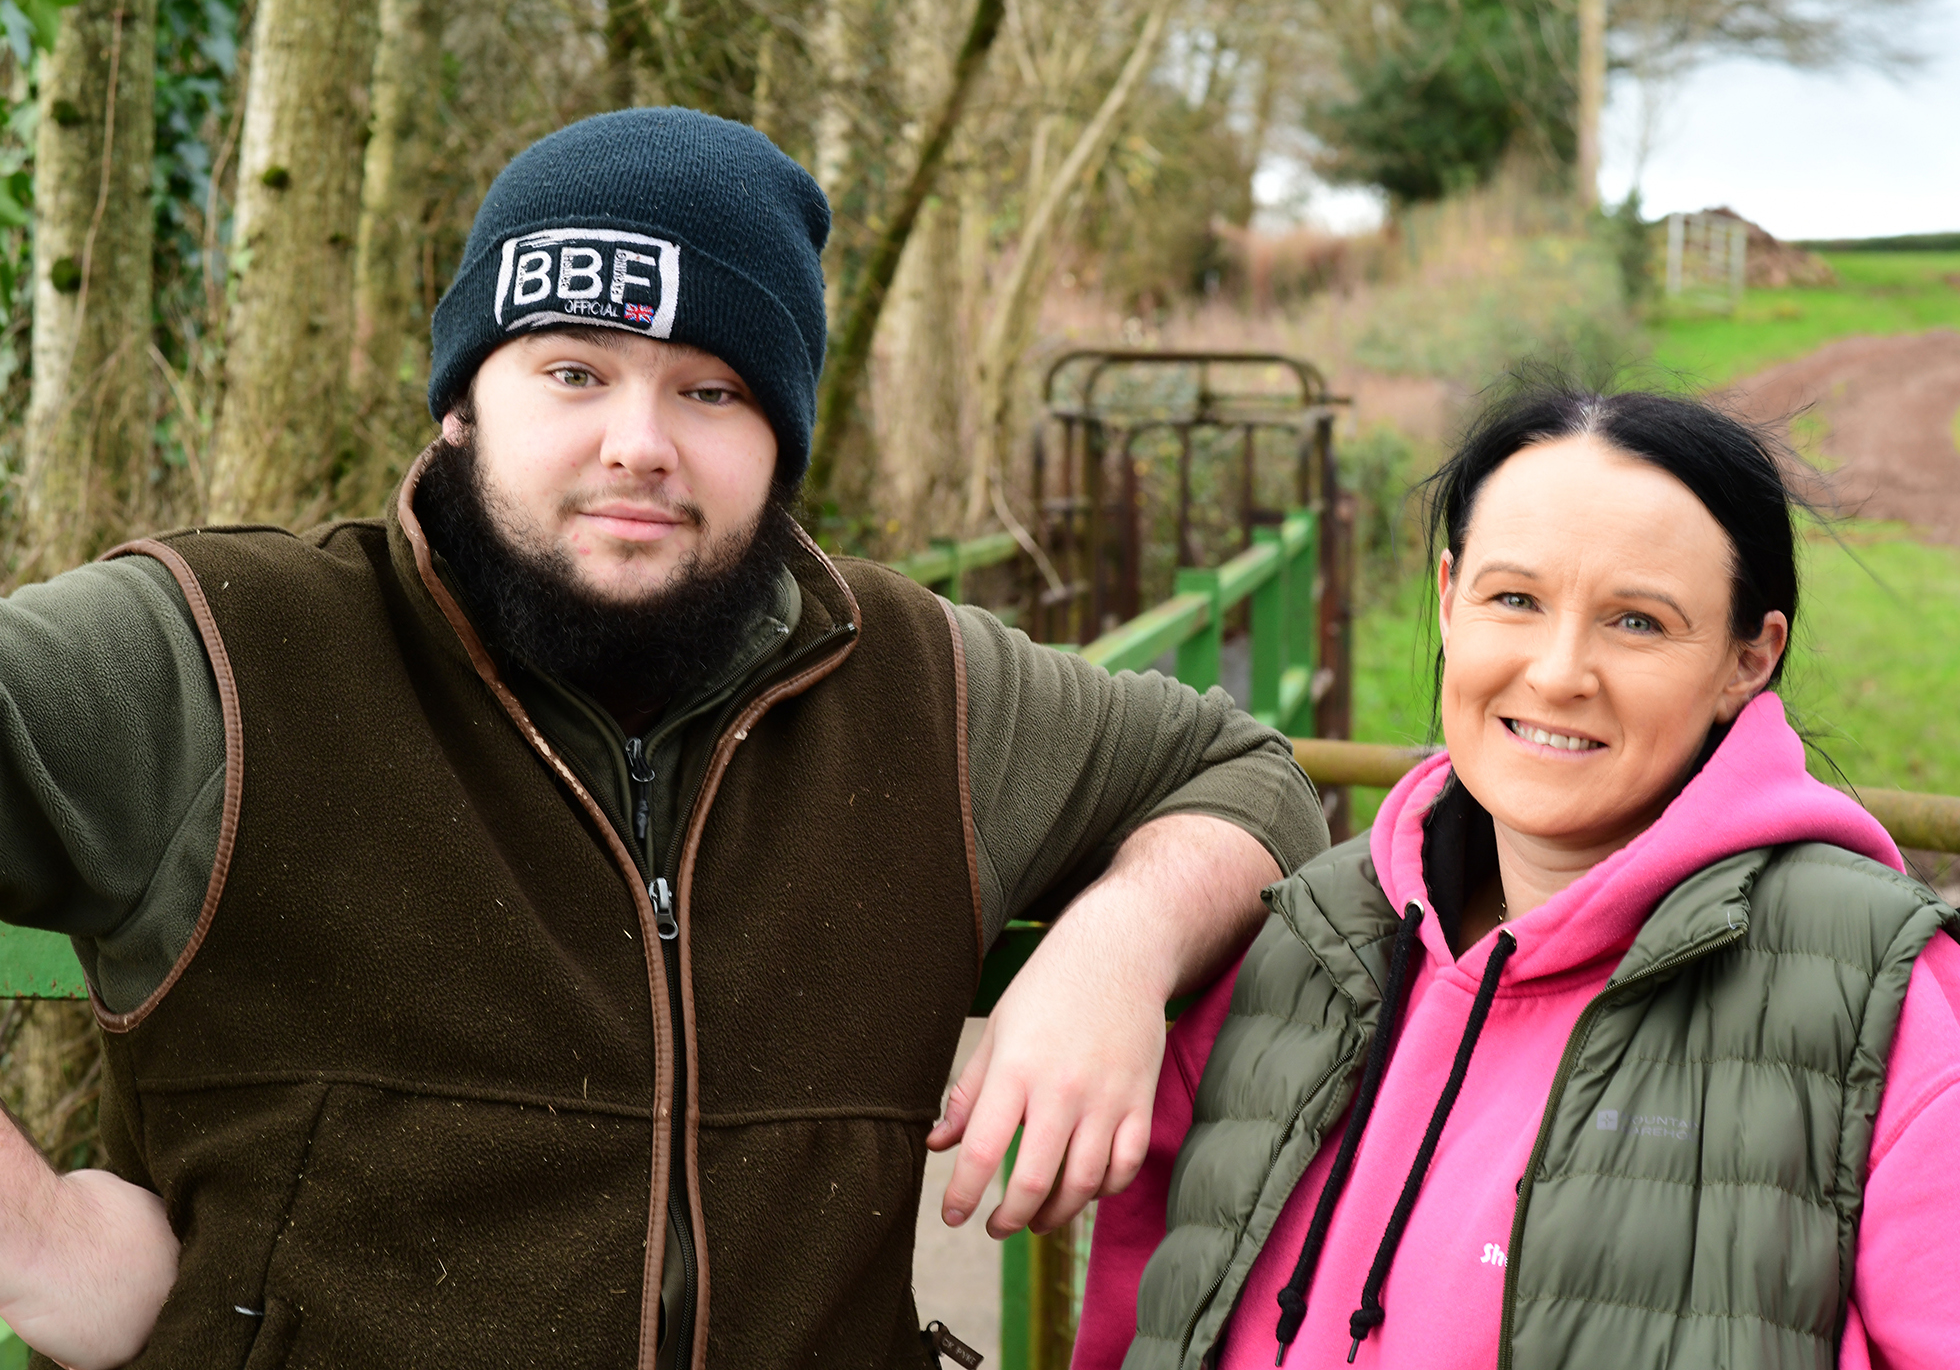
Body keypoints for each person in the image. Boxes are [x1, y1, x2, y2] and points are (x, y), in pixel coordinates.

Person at [0, 109, 1326, 1369]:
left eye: (711, 392)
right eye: (574, 371)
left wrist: (1116, 946)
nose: (639, 445)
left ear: (783, 441)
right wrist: (43, 1251)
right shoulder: (225, 653)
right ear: (463, 401)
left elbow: (1244, 774)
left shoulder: (920, 689)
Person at [1074, 383, 1960, 1370]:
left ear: (1748, 657)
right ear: (1449, 598)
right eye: (1514, 598)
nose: (1557, 670)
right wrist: (1108, 952)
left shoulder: (1881, 1007)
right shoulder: (1297, 949)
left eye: (1636, 621)